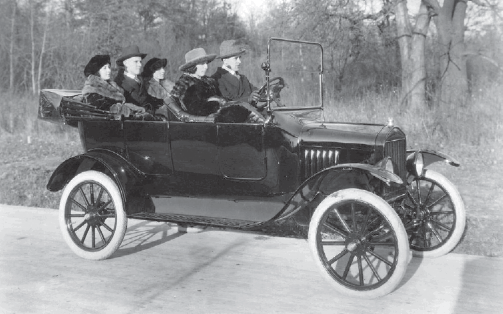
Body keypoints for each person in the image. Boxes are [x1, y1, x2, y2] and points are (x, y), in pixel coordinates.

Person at [171, 48, 264, 123]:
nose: (206, 67)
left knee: (242, 110)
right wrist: (217, 103)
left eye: (206, 63)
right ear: (193, 66)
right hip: (204, 122)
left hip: (216, 116)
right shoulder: (186, 84)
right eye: (202, 64)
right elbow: (195, 110)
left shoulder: (207, 81)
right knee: (238, 111)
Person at [114, 45, 163, 114]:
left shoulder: (142, 81)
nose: (140, 65)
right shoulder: (119, 84)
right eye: (136, 62)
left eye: (140, 61)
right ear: (126, 63)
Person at [211, 39, 261, 105]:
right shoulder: (217, 79)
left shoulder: (243, 79)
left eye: (240, 57)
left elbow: (256, 92)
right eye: (235, 58)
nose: (239, 61)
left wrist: (268, 91)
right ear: (225, 60)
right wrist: (248, 99)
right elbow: (226, 103)